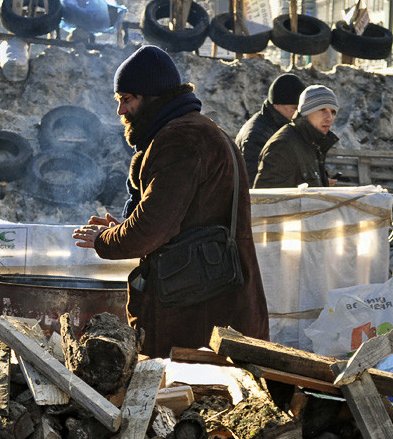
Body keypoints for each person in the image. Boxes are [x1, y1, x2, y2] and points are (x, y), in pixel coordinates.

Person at [72, 45, 269, 358]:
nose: (120, 112)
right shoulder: (198, 131)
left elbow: (151, 229)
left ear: (152, 98)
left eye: (127, 99)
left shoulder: (182, 139)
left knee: (195, 403)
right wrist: (124, 226)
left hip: (201, 318)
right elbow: (175, 217)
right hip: (212, 307)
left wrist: (106, 239)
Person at [254, 84, 339, 189]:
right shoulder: (284, 145)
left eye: (333, 112)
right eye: (322, 110)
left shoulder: (312, 143)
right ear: (306, 111)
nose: (329, 118)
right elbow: (267, 200)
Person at [234, 73, 306, 177]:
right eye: (294, 108)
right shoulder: (257, 135)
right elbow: (253, 182)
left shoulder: (278, 125)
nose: (298, 114)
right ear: (277, 105)